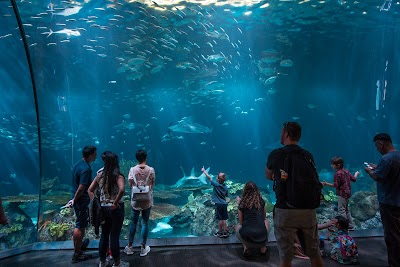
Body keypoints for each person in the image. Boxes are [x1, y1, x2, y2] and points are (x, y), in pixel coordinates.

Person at [266, 122, 324, 267]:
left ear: (285, 134)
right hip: (308, 210)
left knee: (286, 257)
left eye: (281, 132)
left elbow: (268, 175)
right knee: (314, 253)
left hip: (285, 210)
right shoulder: (307, 155)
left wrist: (283, 178)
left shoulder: (276, 154)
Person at [364, 133, 400, 267]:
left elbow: (378, 177)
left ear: (381, 143)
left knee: (392, 236)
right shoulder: (397, 156)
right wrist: (377, 167)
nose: (377, 149)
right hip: (398, 201)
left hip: (389, 203)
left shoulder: (386, 159)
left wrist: (369, 171)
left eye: (376, 146)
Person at [88, 152, 129, 267]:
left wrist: (96, 202)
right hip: (115, 209)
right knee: (114, 236)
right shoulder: (118, 175)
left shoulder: (100, 174)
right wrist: (115, 203)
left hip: (103, 209)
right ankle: (117, 263)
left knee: (104, 235)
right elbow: (121, 190)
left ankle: (102, 262)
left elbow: (90, 190)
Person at [68, 145, 97, 263]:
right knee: (80, 225)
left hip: (77, 198)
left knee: (81, 223)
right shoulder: (86, 168)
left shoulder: (78, 164)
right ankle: (77, 254)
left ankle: (79, 247)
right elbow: (81, 187)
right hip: (81, 200)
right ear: (90, 155)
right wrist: (75, 200)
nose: (96, 155)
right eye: (95, 154)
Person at [124, 149, 155, 257]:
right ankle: (143, 248)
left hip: (135, 200)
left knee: (133, 222)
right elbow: (152, 184)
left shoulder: (132, 170)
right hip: (147, 199)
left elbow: (130, 185)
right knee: (145, 223)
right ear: (146, 157)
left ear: (136, 158)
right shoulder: (151, 170)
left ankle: (129, 247)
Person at [322, 156, 360, 230]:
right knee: (346, 210)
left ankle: (344, 227)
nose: (331, 166)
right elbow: (354, 179)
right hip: (348, 194)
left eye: (332, 164)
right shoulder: (346, 171)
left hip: (341, 194)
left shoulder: (337, 174)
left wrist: (326, 183)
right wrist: (356, 174)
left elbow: (336, 185)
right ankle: (351, 225)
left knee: (341, 210)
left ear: (338, 165)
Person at [235, 181, 270, 257]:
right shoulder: (261, 202)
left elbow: (241, 222)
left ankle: (245, 247)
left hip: (247, 238)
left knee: (237, 226)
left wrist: (239, 203)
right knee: (266, 221)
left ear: (245, 190)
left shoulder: (242, 204)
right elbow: (264, 218)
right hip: (262, 237)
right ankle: (263, 247)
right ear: (256, 190)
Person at [201, 166, 229, 238]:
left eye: (217, 176)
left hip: (218, 204)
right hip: (224, 204)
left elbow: (209, 178)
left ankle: (220, 233)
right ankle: (226, 232)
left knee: (220, 219)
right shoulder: (226, 187)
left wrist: (204, 171)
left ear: (218, 179)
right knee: (224, 219)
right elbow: (226, 195)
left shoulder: (216, 184)